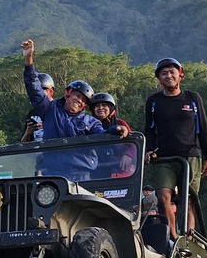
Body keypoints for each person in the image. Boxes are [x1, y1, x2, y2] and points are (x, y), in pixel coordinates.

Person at [21, 39, 127, 180]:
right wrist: (29, 60)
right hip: (52, 174)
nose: (79, 101)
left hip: (81, 174)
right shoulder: (49, 109)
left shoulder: (91, 122)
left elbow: (102, 134)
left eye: (84, 100)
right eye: (77, 96)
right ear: (67, 93)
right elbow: (34, 89)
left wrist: (116, 129)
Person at [144, 57, 207, 239]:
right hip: (164, 157)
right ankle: (172, 237)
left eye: (172, 72)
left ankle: (188, 238)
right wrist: (149, 150)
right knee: (163, 196)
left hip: (191, 154)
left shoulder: (192, 98)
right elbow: (149, 130)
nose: (168, 76)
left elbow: (203, 128)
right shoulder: (153, 101)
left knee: (187, 199)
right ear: (159, 79)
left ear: (180, 75)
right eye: (164, 74)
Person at [90, 92, 136, 177]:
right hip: (96, 168)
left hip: (118, 167)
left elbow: (133, 143)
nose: (100, 108)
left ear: (111, 108)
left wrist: (128, 155)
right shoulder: (89, 124)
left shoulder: (120, 123)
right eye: (97, 106)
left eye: (104, 105)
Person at [20, 73, 55, 141]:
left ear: (50, 91)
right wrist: (28, 132)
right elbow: (23, 143)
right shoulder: (32, 113)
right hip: (36, 150)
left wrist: (47, 126)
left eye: (40, 91)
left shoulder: (60, 110)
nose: (36, 95)